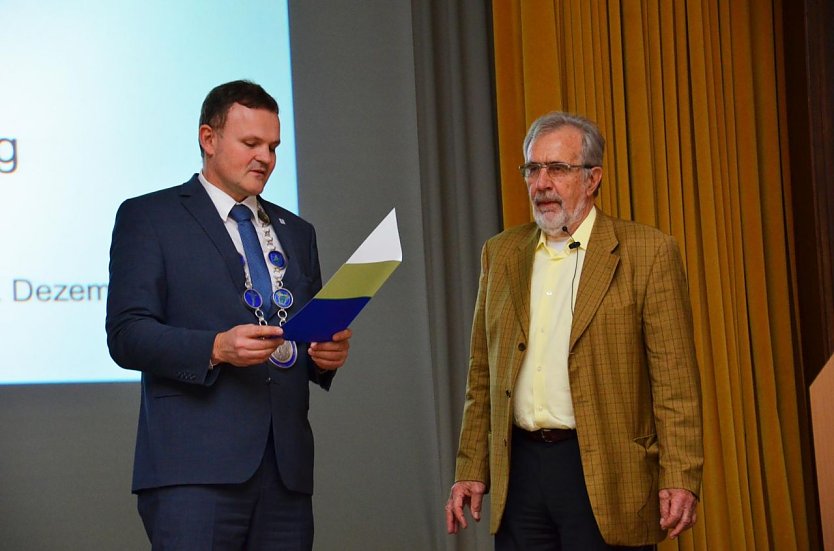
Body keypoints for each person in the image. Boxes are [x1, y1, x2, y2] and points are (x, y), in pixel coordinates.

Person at [106, 80, 351, 550]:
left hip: (286, 473)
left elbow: (305, 339)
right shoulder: (150, 217)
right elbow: (126, 334)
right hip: (192, 474)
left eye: (274, 146)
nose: (266, 158)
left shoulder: (297, 232)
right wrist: (216, 347)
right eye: (251, 143)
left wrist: (326, 353)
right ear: (208, 139)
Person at [445, 112, 703, 549]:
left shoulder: (649, 252)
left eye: (558, 169)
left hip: (608, 470)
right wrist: (470, 467)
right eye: (533, 168)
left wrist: (680, 475)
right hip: (521, 472)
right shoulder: (501, 253)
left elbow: (675, 383)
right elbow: (481, 374)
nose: (541, 183)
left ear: (592, 178)